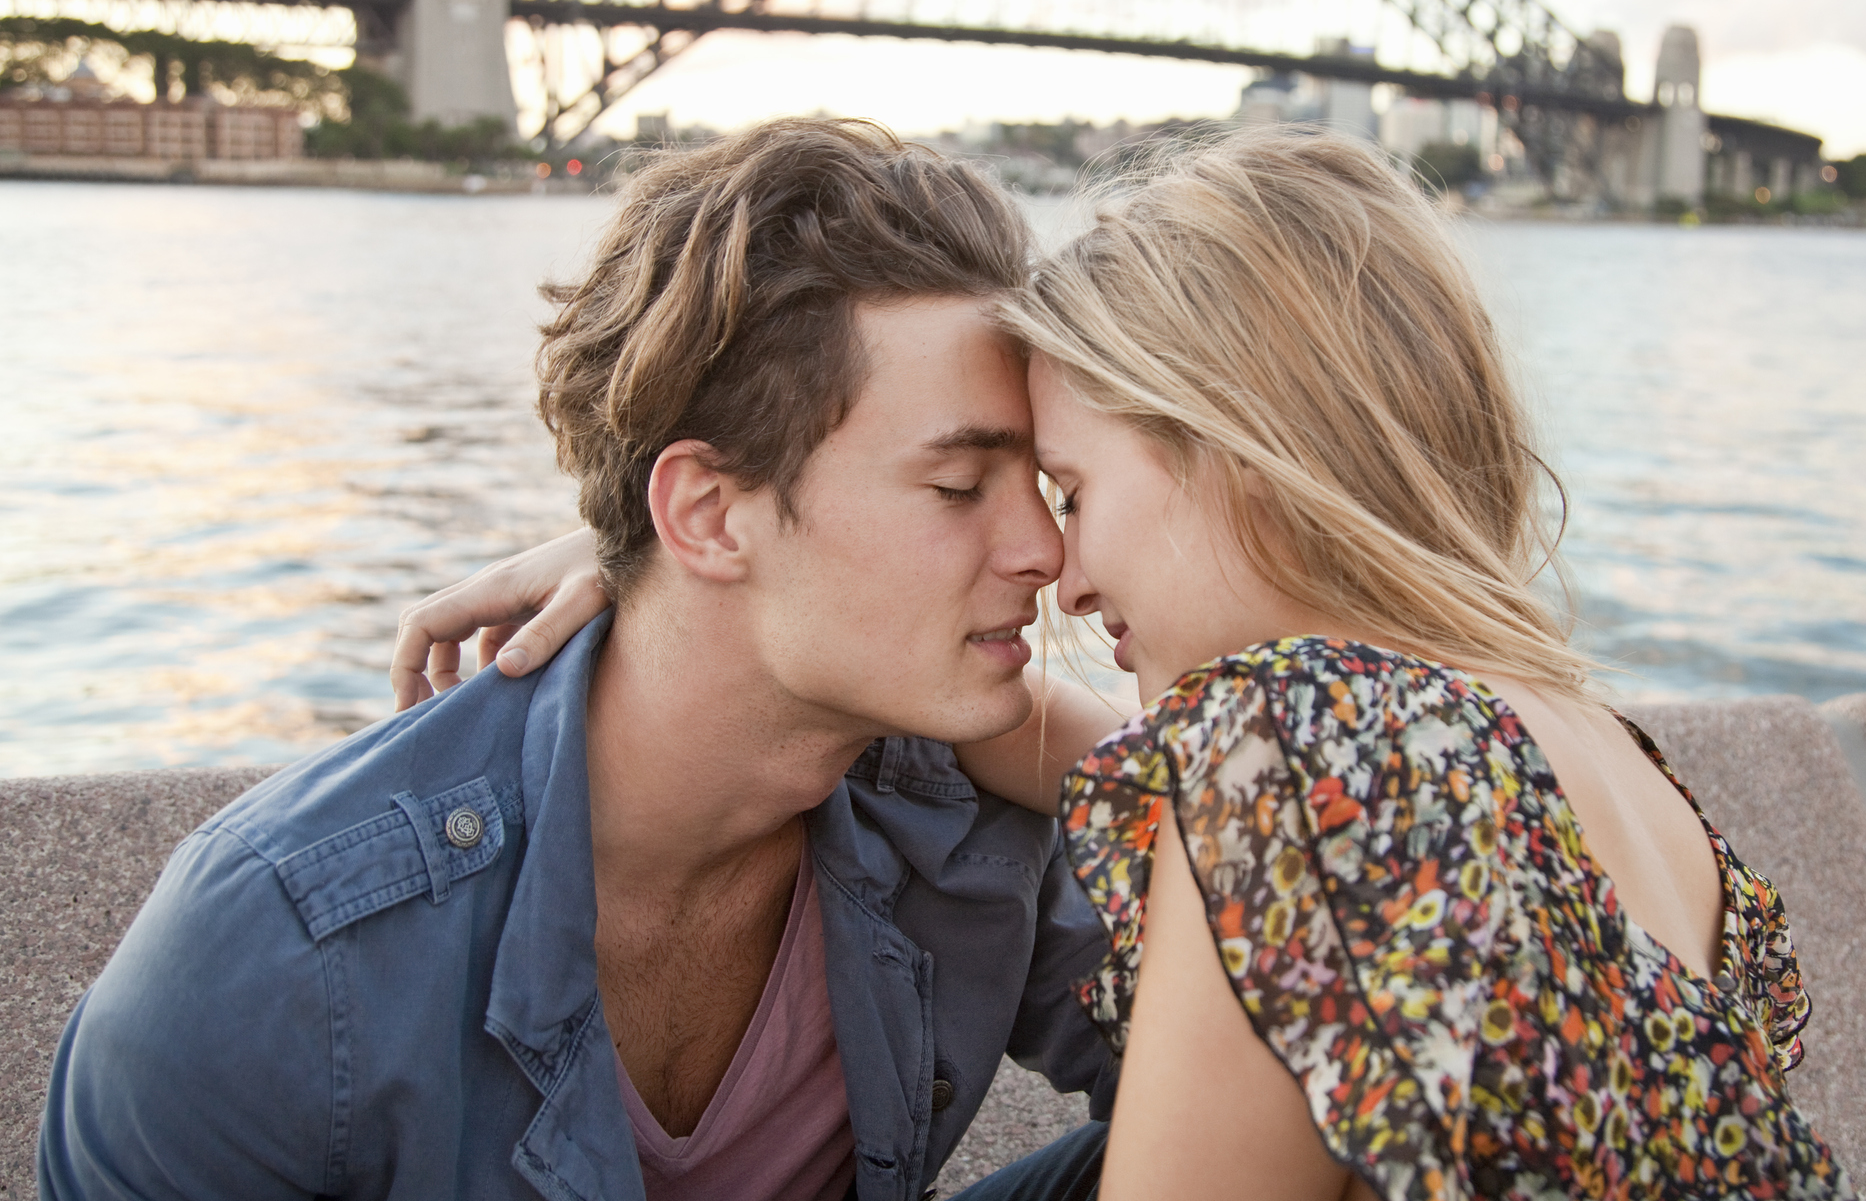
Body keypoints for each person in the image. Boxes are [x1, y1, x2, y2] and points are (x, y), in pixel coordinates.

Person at [434, 128, 1854, 1198]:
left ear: (1230, 456)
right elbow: (1065, 740)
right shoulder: (1575, 748)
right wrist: (678, 563)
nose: (1062, 562)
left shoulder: (1293, 743)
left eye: (1068, 483)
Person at [39, 120, 1119, 1201]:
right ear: (704, 513)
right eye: (957, 486)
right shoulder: (279, 955)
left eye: (1049, 488)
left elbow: (1280, 1028)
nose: (1043, 550)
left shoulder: (956, 805)